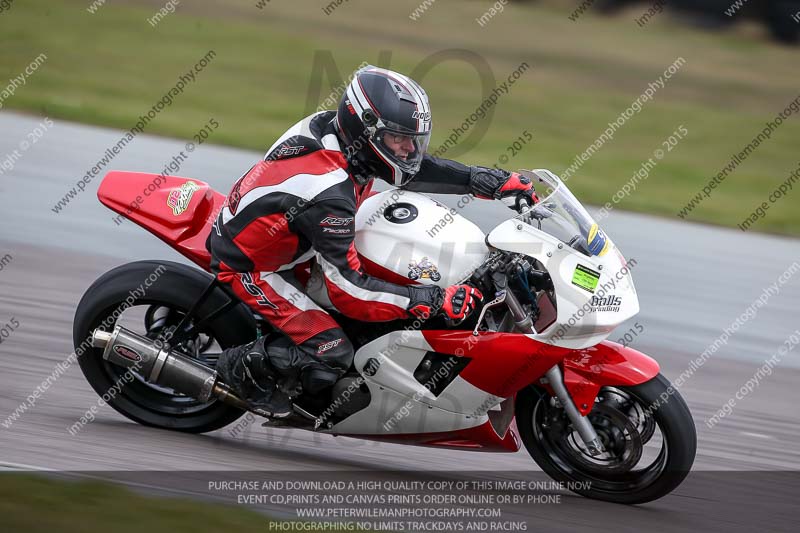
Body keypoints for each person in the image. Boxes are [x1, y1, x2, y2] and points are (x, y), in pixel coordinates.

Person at [207, 65, 536, 417]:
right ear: (366, 130)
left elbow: (408, 168)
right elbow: (349, 291)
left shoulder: (338, 133)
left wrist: (488, 181)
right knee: (332, 351)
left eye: (414, 138)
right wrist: (433, 300)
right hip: (253, 266)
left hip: (300, 239)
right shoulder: (329, 194)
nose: (410, 149)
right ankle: (236, 370)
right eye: (399, 138)